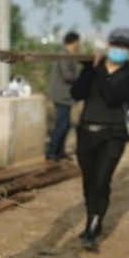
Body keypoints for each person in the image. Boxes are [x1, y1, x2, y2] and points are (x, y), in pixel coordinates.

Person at [70, 27, 129, 252]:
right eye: (116, 44)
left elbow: (113, 97)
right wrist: (88, 69)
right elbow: (76, 94)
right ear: (109, 45)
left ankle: (92, 228)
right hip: (86, 133)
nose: (120, 49)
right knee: (89, 182)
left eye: (125, 46)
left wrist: (98, 68)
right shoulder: (94, 68)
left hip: (113, 135)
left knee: (101, 181)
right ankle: (94, 216)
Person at [45, 31, 81, 161]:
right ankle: (52, 153)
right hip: (61, 96)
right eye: (78, 42)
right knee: (62, 124)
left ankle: (59, 152)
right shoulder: (64, 55)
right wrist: (80, 80)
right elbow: (66, 75)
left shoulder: (68, 55)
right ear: (75, 42)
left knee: (66, 125)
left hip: (65, 96)